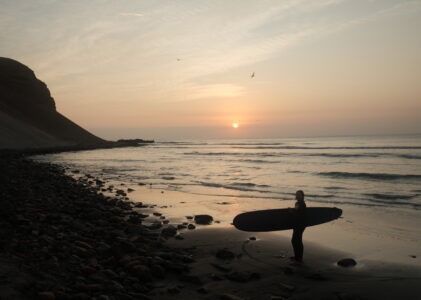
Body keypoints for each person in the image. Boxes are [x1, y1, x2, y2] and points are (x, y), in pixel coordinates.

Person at [290, 190, 307, 262]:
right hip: (296, 224)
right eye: (296, 194)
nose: (297, 196)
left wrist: (291, 212)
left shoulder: (303, 204)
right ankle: (297, 256)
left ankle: (299, 258)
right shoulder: (297, 203)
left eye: (299, 195)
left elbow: (299, 215)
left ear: (302, 196)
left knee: (297, 240)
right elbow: (296, 212)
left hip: (301, 224)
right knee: (294, 240)